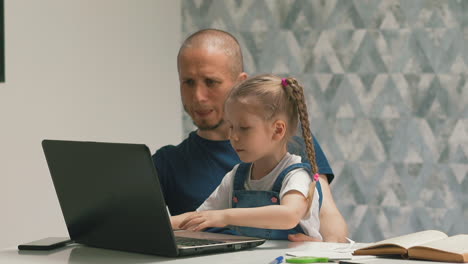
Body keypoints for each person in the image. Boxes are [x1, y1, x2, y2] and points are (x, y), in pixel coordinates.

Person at [153, 29, 348, 242]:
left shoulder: (296, 158)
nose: (198, 96)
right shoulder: (232, 175)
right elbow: (199, 217)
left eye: (211, 82)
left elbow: (306, 216)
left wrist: (324, 251)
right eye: (188, 82)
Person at [171, 74, 324, 240]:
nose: (233, 137)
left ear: (278, 130)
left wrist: (224, 216)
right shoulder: (237, 176)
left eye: (244, 128)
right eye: (231, 127)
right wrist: (161, 223)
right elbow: (201, 217)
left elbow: (288, 216)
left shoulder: (297, 176)